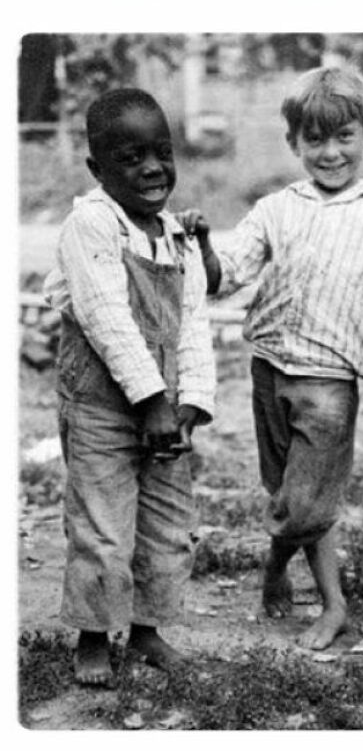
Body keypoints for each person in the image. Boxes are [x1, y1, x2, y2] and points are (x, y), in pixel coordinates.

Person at [181, 66, 363, 651]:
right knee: (285, 492)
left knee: (307, 502)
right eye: (314, 139)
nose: (330, 152)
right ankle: (275, 565)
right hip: (268, 366)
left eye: (344, 136)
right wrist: (201, 242)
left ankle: (332, 603)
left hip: (330, 383)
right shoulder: (275, 208)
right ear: (294, 143)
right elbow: (224, 278)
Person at [43, 88, 216, 685]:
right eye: (130, 157)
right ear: (97, 169)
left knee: (167, 525)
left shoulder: (175, 234)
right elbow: (105, 317)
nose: (151, 168)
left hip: (164, 412)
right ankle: (94, 634)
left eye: (161, 152)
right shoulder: (90, 224)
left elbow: (192, 320)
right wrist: (149, 401)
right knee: (102, 526)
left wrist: (191, 400)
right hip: (103, 408)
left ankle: (146, 630)